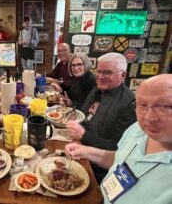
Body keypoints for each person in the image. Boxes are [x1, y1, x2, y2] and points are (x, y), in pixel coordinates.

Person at [65, 74, 172, 204]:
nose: (149, 118)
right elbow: (120, 158)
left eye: (166, 107)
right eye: (142, 105)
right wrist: (86, 151)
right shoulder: (137, 129)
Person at [67, 52, 136, 182]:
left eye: (107, 73)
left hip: (98, 171)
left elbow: (117, 148)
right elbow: (83, 115)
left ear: (123, 75)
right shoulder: (97, 90)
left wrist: (83, 135)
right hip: (78, 150)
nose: (100, 77)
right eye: (98, 72)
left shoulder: (129, 103)